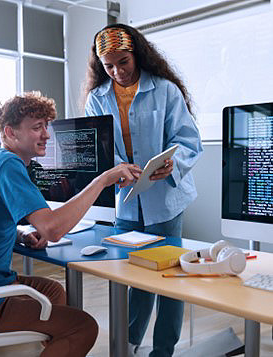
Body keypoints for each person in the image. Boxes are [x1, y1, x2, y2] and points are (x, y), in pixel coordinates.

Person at [0, 91, 141, 357]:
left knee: (53, 290)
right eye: (37, 127)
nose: (47, 134)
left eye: (46, 126)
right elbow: (52, 230)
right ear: (11, 133)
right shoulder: (7, 165)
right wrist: (103, 180)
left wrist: (21, 237)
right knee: (83, 327)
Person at [84, 24, 203, 357]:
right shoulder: (97, 97)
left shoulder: (165, 90)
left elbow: (188, 140)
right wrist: (117, 168)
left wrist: (172, 165)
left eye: (123, 61)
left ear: (136, 53)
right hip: (125, 202)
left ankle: (163, 350)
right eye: (109, 66)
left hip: (165, 200)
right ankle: (129, 344)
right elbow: (100, 147)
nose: (118, 71)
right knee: (132, 275)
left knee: (168, 279)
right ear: (99, 65)